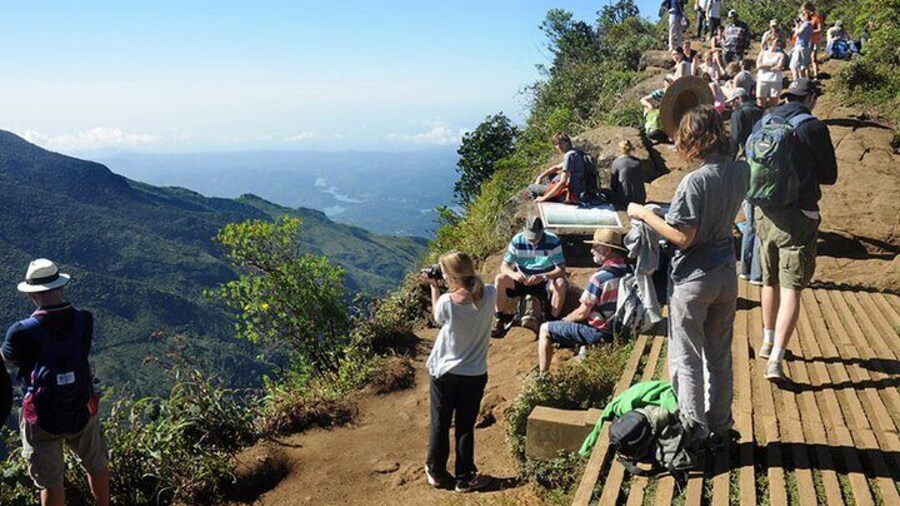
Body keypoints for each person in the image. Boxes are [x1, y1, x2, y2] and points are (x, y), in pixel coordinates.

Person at [627, 105, 748, 452]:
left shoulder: (694, 181)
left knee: (687, 356)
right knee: (720, 356)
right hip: (725, 271)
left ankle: (694, 433)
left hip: (693, 278)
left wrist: (644, 214)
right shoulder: (741, 170)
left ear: (693, 139)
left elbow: (683, 238)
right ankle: (721, 426)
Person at [1, 259, 110, 506]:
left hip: (41, 418)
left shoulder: (20, 331)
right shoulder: (84, 320)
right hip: (82, 407)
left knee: (51, 482)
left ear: (31, 294)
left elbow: (7, 360)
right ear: (61, 287)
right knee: (96, 465)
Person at [755, 79, 837, 382]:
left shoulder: (765, 120)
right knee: (792, 288)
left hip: (764, 212)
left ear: (787, 96)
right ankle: (776, 360)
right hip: (799, 214)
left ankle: (767, 342)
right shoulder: (814, 127)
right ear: (810, 98)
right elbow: (830, 176)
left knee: (770, 280)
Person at [422, 250, 495, 493]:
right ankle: (464, 478)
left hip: (444, 371)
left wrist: (434, 287)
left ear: (451, 276)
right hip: (474, 373)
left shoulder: (447, 302)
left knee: (440, 423)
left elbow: (438, 317)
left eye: (444, 273)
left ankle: (436, 472)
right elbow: (475, 293)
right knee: (465, 425)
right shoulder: (490, 293)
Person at [537, 229, 631, 374]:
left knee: (545, 328)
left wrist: (564, 320)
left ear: (607, 250)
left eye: (595, 247)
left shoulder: (599, 278)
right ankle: (583, 352)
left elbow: (582, 313)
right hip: (620, 328)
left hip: (600, 332)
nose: (592, 250)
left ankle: (543, 376)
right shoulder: (629, 271)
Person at [492, 216, 567, 337]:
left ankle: (552, 321)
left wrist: (543, 276)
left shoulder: (553, 241)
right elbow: (504, 266)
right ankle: (499, 319)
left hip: (543, 281)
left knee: (560, 283)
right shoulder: (517, 240)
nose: (532, 240)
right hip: (523, 279)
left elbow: (561, 269)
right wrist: (514, 275)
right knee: (500, 279)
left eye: (535, 237)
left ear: (542, 231)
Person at [530, 133, 586, 204]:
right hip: (582, 189)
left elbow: (563, 182)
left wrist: (544, 198)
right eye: (556, 144)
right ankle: (550, 191)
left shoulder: (569, 156)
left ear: (568, 142)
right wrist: (540, 177)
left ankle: (541, 201)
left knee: (531, 187)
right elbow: (557, 167)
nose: (559, 146)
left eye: (561, 143)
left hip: (572, 194)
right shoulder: (577, 152)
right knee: (552, 174)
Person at [609, 140, 647, 208]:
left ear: (619, 149)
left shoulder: (616, 163)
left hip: (624, 200)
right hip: (640, 199)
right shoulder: (638, 162)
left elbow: (613, 184)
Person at [728, 88, 763, 159]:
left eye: (732, 101)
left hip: (747, 152)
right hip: (761, 149)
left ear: (739, 99)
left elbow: (735, 137)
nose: (731, 104)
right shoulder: (761, 110)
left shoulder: (738, 113)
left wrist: (731, 157)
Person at [641, 77, 674, 143]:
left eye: (672, 81)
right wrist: (649, 105)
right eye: (668, 81)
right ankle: (650, 130)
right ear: (664, 83)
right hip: (656, 115)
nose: (670, 83)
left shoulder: (673, 94)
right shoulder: (660, 92)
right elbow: (643, 100)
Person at [756, 36, 786, 108]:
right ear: (770, 41)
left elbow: (779, 67)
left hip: (775, 80)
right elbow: (758, 66)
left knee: (773, 104)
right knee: (760, 102)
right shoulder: (763, 53)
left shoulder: (781, 54)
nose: (778, 43)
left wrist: (764, 66)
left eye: (779, 41)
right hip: (762, 80)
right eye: (776, 41)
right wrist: (771, 65)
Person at [790, 9, 814, 81]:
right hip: (805, 46)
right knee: (801, 68)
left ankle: (796, 83)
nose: (799, 17)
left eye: (801, 16)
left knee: (793, 67)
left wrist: (797, 25)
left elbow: (797, 33)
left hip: (800, 47)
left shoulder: (806, 24)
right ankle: (802, 83)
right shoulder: (810, 24)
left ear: (805, 16)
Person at [805, 2, 825, 78]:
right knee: (806, 58)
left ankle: (816, 75)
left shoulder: (817, 17)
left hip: (815, 39)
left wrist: (809, 32)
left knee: (813, 57)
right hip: (807, 40)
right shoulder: (806, 18)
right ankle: (808, 76)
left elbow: (820, 30)